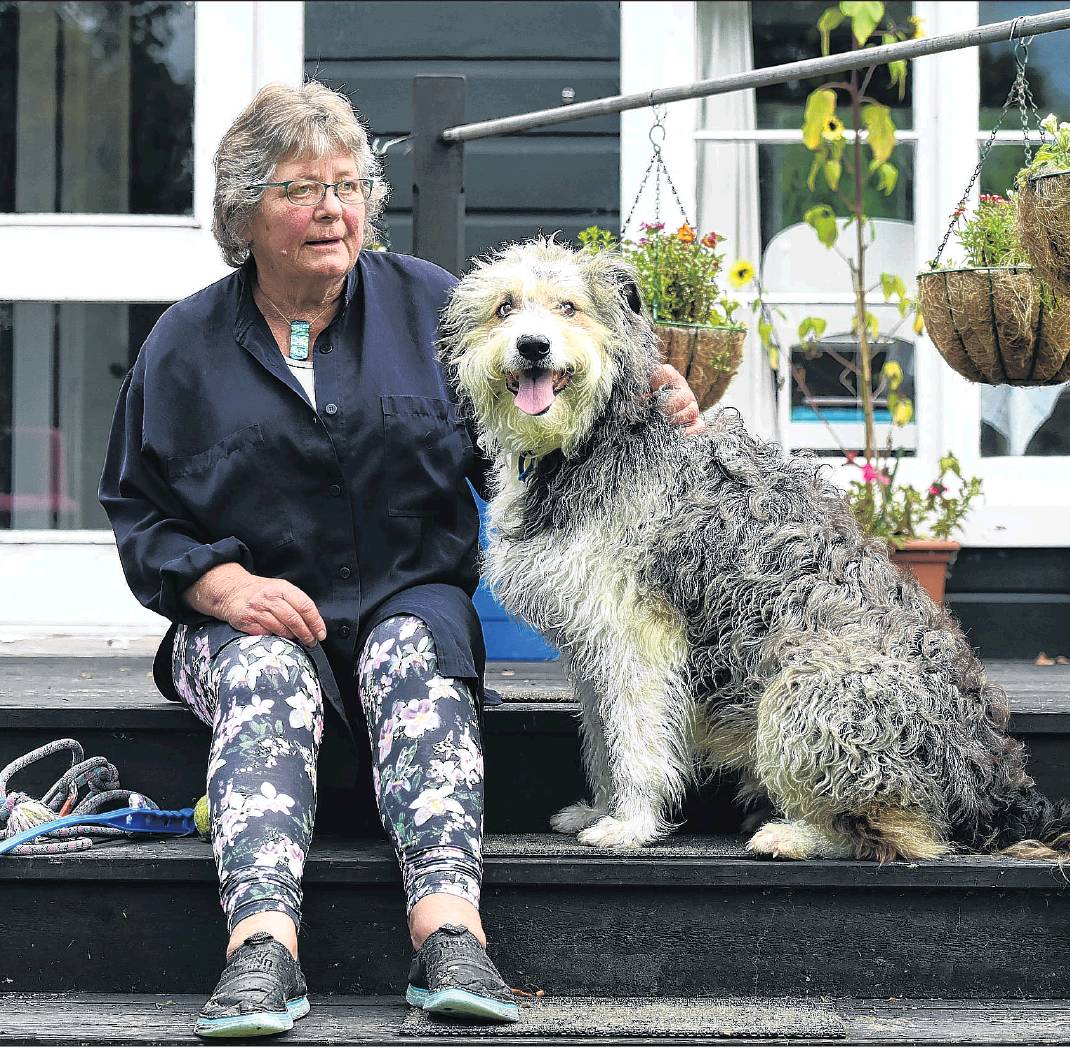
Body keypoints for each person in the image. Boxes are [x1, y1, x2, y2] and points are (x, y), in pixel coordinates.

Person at [99, 81, 703, 1039]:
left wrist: (645, 394)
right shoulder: (182, 346)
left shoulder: (435, 307)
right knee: (264, 670)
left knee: (416, 651)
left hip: (405, 600)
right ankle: (260, 952)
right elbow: (138, 511)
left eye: (347, 186)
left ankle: (451, 936)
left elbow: (539, 409)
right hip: (246, 621)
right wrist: (220, 585)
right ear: (245, 211)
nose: (332, 209)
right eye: (302, 189)